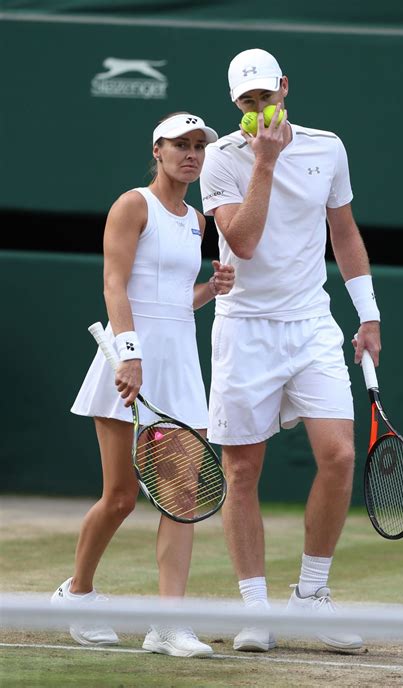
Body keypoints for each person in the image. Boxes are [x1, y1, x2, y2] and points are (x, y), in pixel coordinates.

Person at [199, 48, 382, 652]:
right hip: (243, 329)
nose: (259, 108)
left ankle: (311, 598)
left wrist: (369, 314)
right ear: (236, 107)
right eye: (247, 103)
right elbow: (243, 244)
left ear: (284, 88)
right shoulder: (221, 160)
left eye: (266, 96)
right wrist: (265, 164)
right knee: (243, 469)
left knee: (339, 456)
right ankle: (257, 609)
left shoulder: (329, 147)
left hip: (311, 325)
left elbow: (345, 232)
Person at [51, 112, 235, 658]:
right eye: (181, 144)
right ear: (157, 150)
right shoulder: (132, 205)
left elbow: (176, 301)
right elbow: (115, 282)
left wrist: (210, 290)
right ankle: (76, 592)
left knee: (181, 498)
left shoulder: (199, 222)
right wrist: (129, 356)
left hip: (180, 364)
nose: (192, 154)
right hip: (127, 359)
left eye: (199, 146)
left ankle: (168, 624)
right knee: (121, 498)